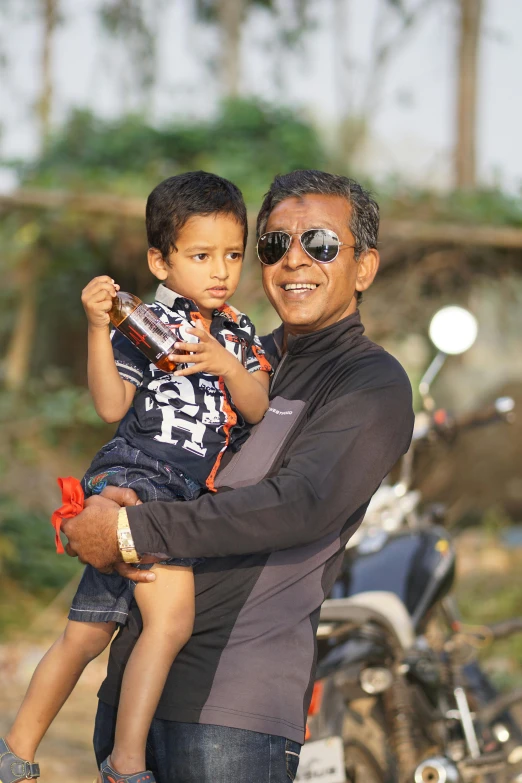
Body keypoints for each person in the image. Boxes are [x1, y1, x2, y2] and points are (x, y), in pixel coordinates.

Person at [63, 170, 414, 783]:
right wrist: (107, 500)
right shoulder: (233, 349)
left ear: (364, 268)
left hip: (233, 716)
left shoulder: (370, 384)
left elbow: (296, 505)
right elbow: (146, 440)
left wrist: (128, 530)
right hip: (134, 703)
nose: (294, 261)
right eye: (275, 245)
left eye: (322, 245)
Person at [0, 172, 271, 783]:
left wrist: (228, 364)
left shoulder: (239, 332)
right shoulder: (148, 322)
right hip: (140, 480)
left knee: (88, 634)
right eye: (200, 256)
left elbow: (259, 407)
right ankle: (125, 763)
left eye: (232, 255)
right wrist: (101, 327)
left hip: (183, 495)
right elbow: (110, 405)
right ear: (161, 260)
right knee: (171, 621)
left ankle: (15, 752)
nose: (220, 271)